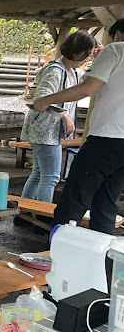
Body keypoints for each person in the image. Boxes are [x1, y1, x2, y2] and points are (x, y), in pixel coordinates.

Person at [34, 19, 124, 234]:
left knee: (73, 200)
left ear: (119, 34)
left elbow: (86, 89)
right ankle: (101, 262)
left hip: (106, 139)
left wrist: (47, 100)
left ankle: (57, 257)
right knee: (106, 204)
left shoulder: (116, 50)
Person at [16, 31, 95, 217]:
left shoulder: (72, 71)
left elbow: (90, 82)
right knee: (50, 177)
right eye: (87, 54)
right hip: (44, 130)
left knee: (38, 174)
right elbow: (41, 99)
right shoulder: (55, 70)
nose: (87, 58)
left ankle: (24, 214)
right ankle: (42, 216)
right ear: (77, 53)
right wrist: (65, 116)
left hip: (46, 131)